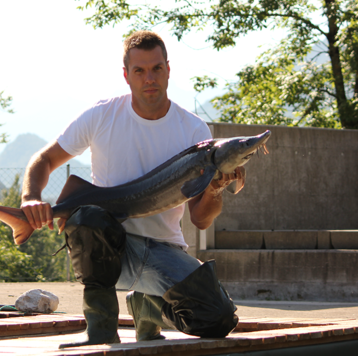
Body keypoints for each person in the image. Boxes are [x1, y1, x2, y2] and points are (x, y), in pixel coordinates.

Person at [20, 30, 239, 348]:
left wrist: (215, 189)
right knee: (87, 219)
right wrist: (30, 198)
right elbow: (44, 159)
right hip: (109, 247)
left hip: (165, 249)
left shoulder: (193, 130)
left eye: (156, 68)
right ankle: (101, 332)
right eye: (139, 70)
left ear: (168, 69)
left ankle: (148, 305)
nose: (149, 78)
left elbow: (201, 220)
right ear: (126, 75)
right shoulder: (102, 115)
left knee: (217, 317)